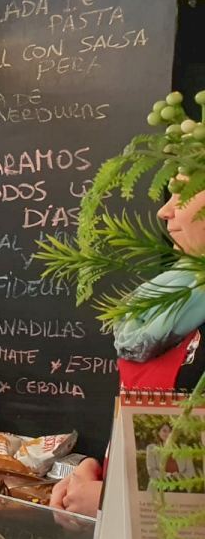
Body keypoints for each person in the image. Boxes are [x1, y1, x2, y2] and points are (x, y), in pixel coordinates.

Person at [51, 170, 205, 516]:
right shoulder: (172, 296)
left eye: (182, 193)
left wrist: (114, 504)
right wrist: (92, 474)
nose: (164, 211)